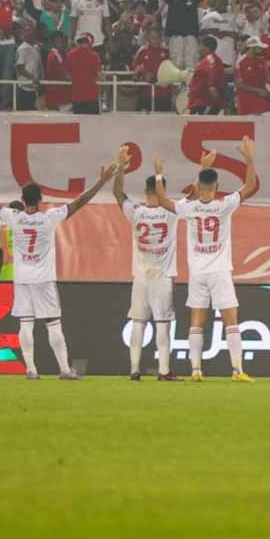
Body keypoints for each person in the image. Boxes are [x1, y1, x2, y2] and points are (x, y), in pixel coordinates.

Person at [0, 151, 121, 380]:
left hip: (22, 278)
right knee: (52, 322)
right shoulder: (49, 218)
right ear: (40, 200)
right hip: (43, 279)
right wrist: (101, 181)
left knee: (25, 323)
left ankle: (31, 369)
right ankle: (64, 369)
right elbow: (79, 202)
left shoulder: (14, 217)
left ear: (23, 200)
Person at [175, 138, 261, 382]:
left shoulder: (189, 207)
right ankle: (237, 370)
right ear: (218, 185)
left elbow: (190, 195)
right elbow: (251, 184)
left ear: (199, 184)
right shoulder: (224, 205)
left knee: (196, 320)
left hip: (197, 271)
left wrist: (201, 169)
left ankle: (195, 370)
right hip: (220, 270)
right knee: (230, 319)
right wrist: (249, 158)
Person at [113, 155, 182, 381]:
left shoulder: (136, 211)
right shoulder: (172, 211)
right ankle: (163, 371)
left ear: (145, 191)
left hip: (140, 277)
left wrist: (121, 170)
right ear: (162, 191)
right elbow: (194, 195)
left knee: (138, 322)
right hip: (161, 278)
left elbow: (118, 194)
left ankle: (134, 370)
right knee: (162, 324)